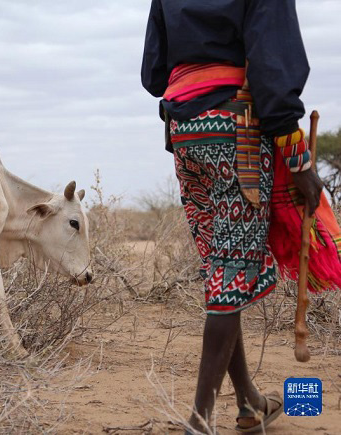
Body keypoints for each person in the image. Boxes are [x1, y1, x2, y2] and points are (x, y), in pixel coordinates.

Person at [141, 1, 328, 433]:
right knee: (230, 272)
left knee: (223, 271)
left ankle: (250, 402)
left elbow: (154, 75)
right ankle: (199, 419)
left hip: (185, 134)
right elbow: (273, 69)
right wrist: (299, 163)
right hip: (236, 132)